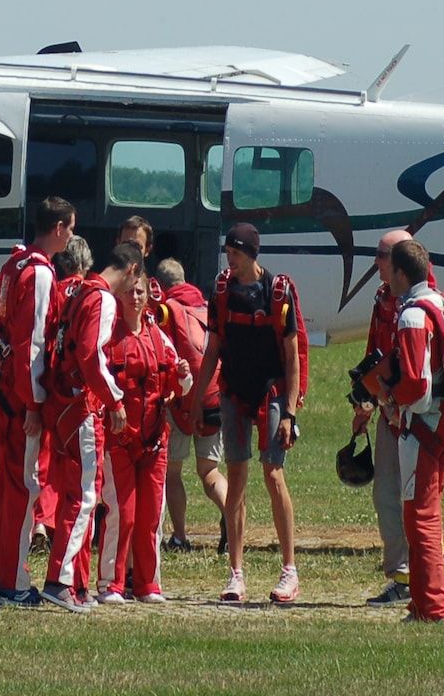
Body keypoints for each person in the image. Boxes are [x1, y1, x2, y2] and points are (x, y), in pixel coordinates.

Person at [187, 222, 305, 605]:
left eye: (235, 253)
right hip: (234, 393)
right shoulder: (221, 292)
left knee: (273, 473)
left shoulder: (277, 292)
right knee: (236, 477)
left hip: (270, 391)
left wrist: (288, 411)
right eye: (228, 253)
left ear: (251, 254)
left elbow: (291, 358)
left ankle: (289, 570)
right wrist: (197, 396)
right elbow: (213, 349)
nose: (229, 260)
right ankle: (236, 573)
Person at [363, 237, 444, 623]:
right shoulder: (440, 301)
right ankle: (424, 602)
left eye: (385, 265)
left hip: (425, 425)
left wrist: (390, 401)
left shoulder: (412, 314)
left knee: (420, 516)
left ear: (399, 272)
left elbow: (416, 383)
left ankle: (430, 608)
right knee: (425, 513)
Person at [37, 238, 137, 612]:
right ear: (131, 270)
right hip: (80, 408)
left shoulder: (80, 291)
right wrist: (115, 400)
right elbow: (91, 355)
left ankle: (71, 582)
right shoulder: (103, 299)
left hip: (61, 405)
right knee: (84, 499)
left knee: (71, 496)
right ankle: (60, 581)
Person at [0, 196, 77, 605]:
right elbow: (34, 345)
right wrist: (37, 404)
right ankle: (14, 582)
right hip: (23, 399)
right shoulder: (40, 273)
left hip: (5, 392)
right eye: (70, 228)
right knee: (24, 489)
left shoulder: (13, 266)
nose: (72, 235)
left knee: (8, 488)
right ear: (57, 228)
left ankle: (0, 575)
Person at [98, 263, 192, 604]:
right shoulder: (108, 336)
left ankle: (148, 584)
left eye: (140, 292)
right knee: (123, 512)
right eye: (129, 291)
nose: (135, 298)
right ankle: (112, 582)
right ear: (118, 294)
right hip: (120, 439)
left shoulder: (159, 337)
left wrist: (182, 374)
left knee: (151, 514)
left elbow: (181, 385)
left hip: (154, 441)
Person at [349, 229, 422, 606]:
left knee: (416, 498)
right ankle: (401, 575)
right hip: (389, 411)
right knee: (386, 494)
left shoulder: (421, 304)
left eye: (381, 255)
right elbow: (374, 352)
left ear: (399, 262)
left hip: (419, 415)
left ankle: (423, 577)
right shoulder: (383, 299)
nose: (375, 261)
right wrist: (365, 403)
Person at [153, 258, 226, 552]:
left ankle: (180, 536)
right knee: (210, 471)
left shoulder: (166, 311)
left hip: (182, 402)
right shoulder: (207, 307)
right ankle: (232, 521)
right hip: (213, 399)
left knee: (173, 472)